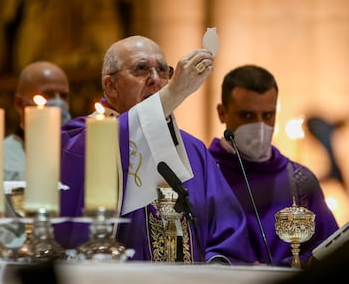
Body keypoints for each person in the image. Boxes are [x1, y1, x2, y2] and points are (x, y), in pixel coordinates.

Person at [55, 35, 255, 264]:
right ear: (110, 86)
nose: (155, 79)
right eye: (141, 69)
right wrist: (174, 93)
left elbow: (228, 233)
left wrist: (215, 269)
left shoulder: (194, 151)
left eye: (163, 71)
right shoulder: (82, 140)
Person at [208, 64, 339, 267]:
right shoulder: (203, 173)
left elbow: (331, 249)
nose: (260, 126)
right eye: (247, 116)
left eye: (267, 115)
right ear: (222, 113)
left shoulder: (300, 180)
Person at [0, 61, 71, 254]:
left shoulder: (76, 154)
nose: (58, 103)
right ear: (19, 103)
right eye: (48, 95)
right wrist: (35, 244)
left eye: (64, 96)